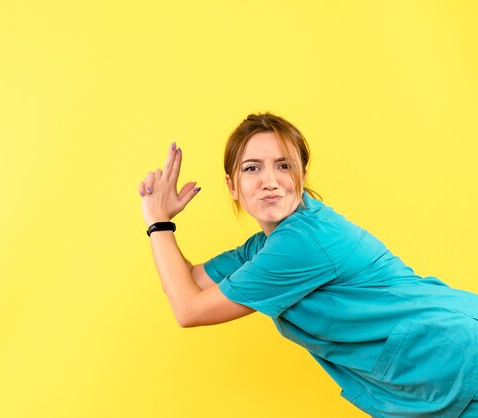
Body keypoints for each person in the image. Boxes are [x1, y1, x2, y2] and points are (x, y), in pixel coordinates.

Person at [137, 112, 478, 417]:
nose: (270, 180)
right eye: (252, 168)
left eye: (283, 165)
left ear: (302, 174)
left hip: (456, 355)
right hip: (441, 363)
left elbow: (188, 310)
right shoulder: (266, 247)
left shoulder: (302, 243)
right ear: (232, 186)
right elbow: (189, 282)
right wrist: (162, 221)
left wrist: (157, 222)